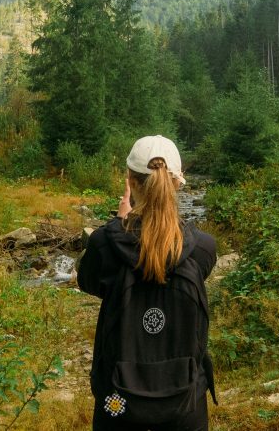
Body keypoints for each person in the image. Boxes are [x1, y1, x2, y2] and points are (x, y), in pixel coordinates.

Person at [77, 135, 217, 431]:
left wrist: (119, 225)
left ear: (131, 181)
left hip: (118, 401)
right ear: (178, 183)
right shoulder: (203, 248)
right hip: (185, 402)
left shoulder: (105, 245)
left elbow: (88, 282)